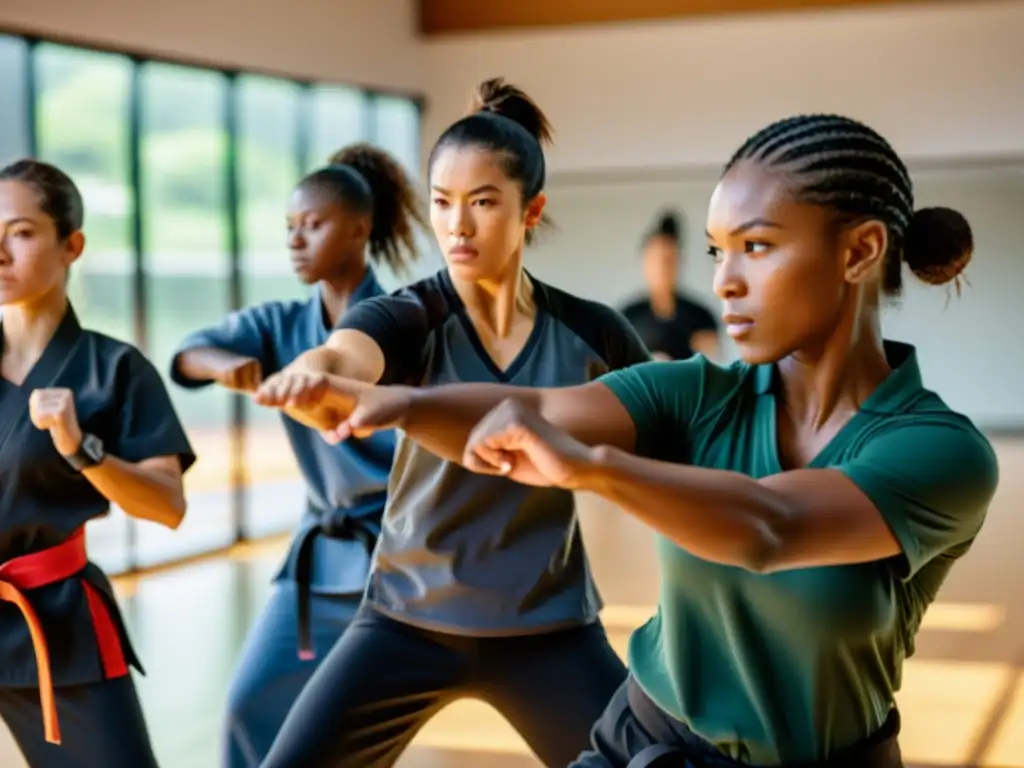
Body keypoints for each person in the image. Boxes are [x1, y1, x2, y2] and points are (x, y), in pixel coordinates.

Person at [262, 114, 1000, 767]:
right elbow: (536, 407)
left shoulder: (941, 453)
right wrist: (386, 404)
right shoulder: (695, 392)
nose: (727, 282)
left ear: (860, 251)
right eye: (718, 252)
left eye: (757, 246)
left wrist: (596, 470)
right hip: (640, 743)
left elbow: (771, 526)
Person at [251, 78, 650, 768]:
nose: (457, 226)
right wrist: (317, 375)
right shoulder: (406, 316)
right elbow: (347, 355)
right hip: (407, 620)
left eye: (482, 202)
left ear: (532, 210)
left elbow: (669, 426)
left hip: (548, 627)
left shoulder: (594, 334)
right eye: (441, 203)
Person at [169, 144, 425, 767]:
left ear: (359, 230)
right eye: (289, 227)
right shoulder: (283, 322)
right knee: (246, 705)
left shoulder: (408, 320)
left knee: (355, 739)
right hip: (316, 561)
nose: (295, 240)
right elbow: (187, 354)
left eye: (313, 225)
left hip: (397, 561)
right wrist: (227, 365)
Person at [0, 158, 195, 767]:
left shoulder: (115, 370)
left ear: (71, 245)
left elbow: (167, 505)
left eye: (21, 232)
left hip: (56, 624)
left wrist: (81, 448)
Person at [620, 210, 719, 361]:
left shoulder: (701, 317)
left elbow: (710, 370)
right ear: (644, 262)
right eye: (655, 260)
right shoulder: (627, 318)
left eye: (668, 260)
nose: (661, 268)